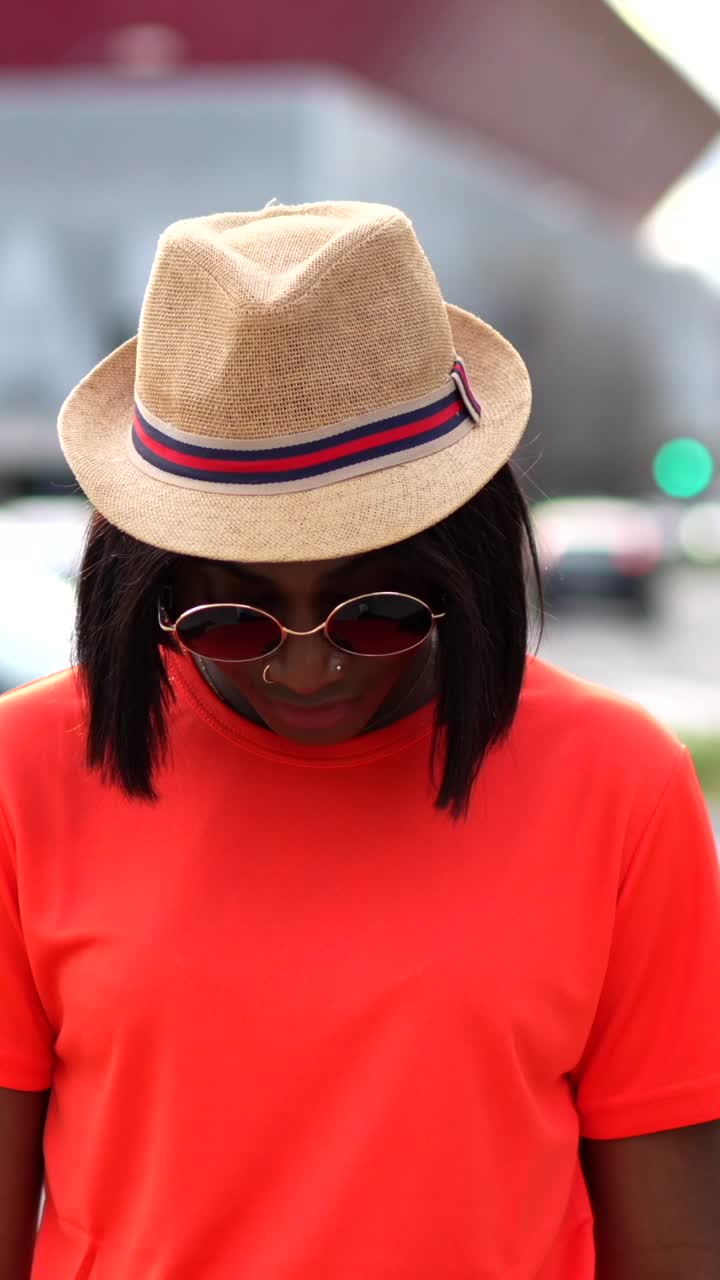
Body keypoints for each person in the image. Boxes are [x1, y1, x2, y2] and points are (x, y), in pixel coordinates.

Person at [0, 201, 719, 1280]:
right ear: (147, 586)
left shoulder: (621, 787)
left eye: (378, 610)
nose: (306, 669)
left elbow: (673, 1244)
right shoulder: (24, 777)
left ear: (466, 565)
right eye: (230, 619)